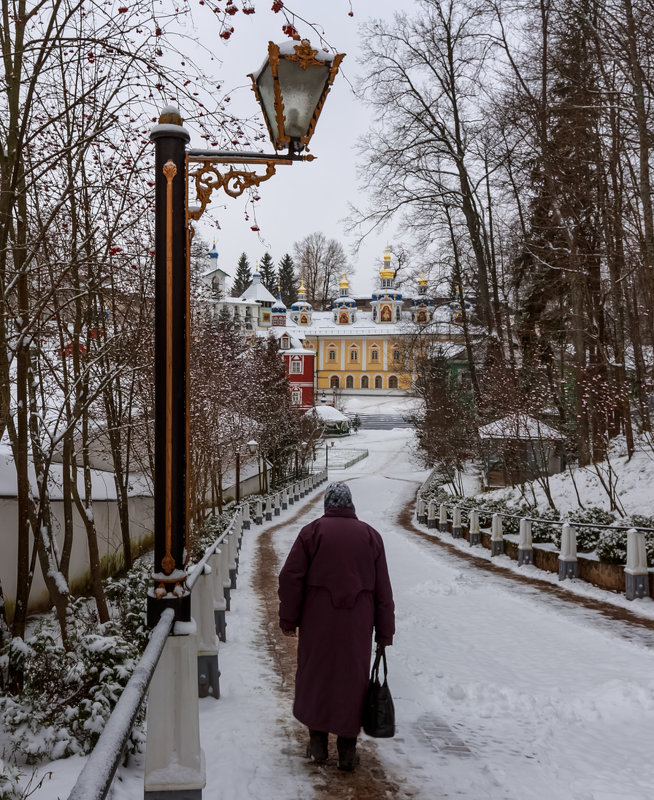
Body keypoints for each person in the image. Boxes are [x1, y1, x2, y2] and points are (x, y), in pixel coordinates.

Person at [278, 481, 395, 771]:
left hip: (318, 622)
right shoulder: (371, 536)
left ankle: (317, 744)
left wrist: (289, 619)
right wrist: (384, 632)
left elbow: (290, 578)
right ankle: (346, 751)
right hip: (357, 625)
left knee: (317, 676)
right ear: (350, 505)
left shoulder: (312, 533)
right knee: (351, 682)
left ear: (328, 504)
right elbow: (383, 590)